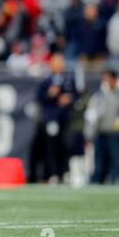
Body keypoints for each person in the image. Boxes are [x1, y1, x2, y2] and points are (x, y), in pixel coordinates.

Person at [37, 53, 77, 184]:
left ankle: (64, 172)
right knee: (51, 147)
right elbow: (39, 98)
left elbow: (77, 95)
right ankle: (52, 173)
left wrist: (69, 98)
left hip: (65, 117)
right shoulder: (46, 81)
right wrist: (49, 94)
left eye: (61, 62)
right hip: (51, 118)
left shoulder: (69, 80)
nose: (59, 65)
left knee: (65, 145)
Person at [84, 70, 119, 184]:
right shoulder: (98, 95)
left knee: (114, 159)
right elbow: (91, 115)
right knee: (99, 160)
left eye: (108, 79)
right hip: (100, 132)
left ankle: (114, 180)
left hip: (114, 132)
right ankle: (97, 181)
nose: (105, 82)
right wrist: (89, 133)